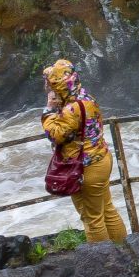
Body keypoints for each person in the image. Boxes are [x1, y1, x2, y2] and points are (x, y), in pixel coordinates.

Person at [40, 60, 127, 245]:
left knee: (92, 219)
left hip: (85, 168)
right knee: (107, 210)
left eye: (49, 82)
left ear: (59, 86)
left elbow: (55, 135)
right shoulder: (86, 97)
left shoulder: (71, 109)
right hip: (101, 159)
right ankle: (124, 251)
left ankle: (106, 265)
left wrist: (49, 110)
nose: (46, 86)